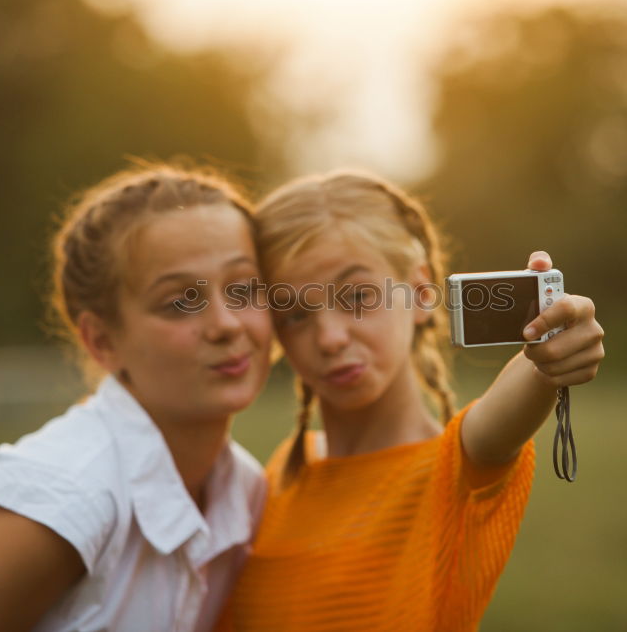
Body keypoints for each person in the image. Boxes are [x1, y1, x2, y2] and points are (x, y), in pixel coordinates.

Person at [0, 164, 273, 632]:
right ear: (101, 341)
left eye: (244, 289)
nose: (227, 324)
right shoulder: (69, 498)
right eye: (178, 303)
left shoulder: (245, 488)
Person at [216, 171, 605, 631]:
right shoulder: (278, 475)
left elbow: (500, 421)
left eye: (358, 296)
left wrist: (546, 358)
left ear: (422, 292)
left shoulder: (455, 471)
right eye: (295, 313)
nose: (331, 337)